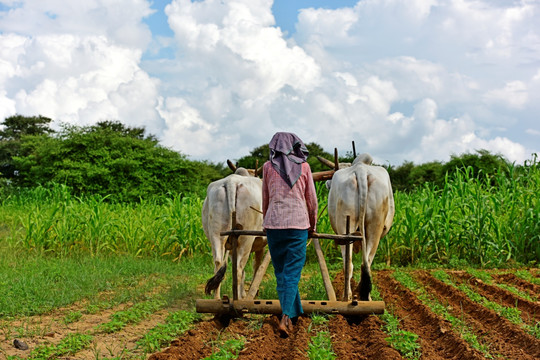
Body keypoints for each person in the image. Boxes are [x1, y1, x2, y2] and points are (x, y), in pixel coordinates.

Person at [262, 132, 318, 337]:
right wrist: (312, 225)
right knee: (292, 273)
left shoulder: (267, 167)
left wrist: (265, 223)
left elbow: (265, 199)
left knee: (281, 273)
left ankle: (295, 312)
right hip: (298, 226)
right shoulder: (304, 167)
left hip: (274, 225)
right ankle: (286, 317)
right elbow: (311, 199)